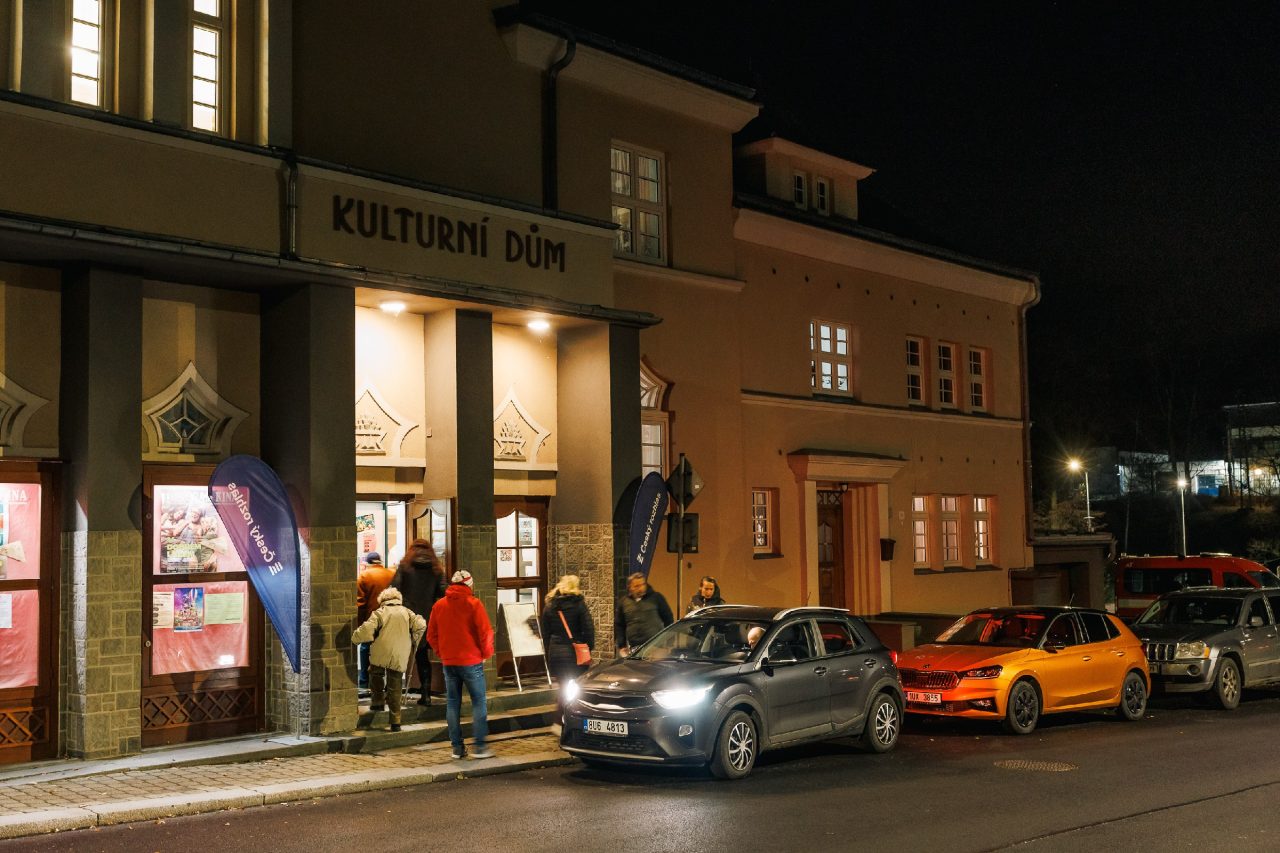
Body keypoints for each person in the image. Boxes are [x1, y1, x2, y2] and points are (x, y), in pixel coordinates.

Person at [427, 569, 495, 760]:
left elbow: (431, 635)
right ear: (469, 585)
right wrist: (486, 653)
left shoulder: (439, 605)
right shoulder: (474, 604)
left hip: (449, 662)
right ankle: (480, 747)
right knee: (478, 702)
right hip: (472, 661)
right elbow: (485, 633)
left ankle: (457, 748)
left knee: (452, 703)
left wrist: (442, 653)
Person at [351, 586, 426, 732]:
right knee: (395, 686)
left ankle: (377, 702)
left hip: (381, 650)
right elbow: (421, 624)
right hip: (399, 653)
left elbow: (367, 630)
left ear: (383, 600)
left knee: (375, 673)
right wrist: (415, 639)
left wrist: (355, 638)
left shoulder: (380, 612)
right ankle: (395, 721)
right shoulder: (407, 612)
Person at [392, 539, 447, 704]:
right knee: (422, 656)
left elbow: (394, 588)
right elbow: (443, 591)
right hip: (427, 618)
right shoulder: (436, 569)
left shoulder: (405, 567)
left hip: (406, 616)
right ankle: (426, 695)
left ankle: (393, 695)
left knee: (399, 655)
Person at [541, 574, 595, 686]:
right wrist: (588, 647)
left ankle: (563, 698)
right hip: (575, 652)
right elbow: (588, 629)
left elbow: (545, 633)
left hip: (556, 653)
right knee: (578, 685)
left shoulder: (549, 606)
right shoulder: (579, 605)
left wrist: (548, 651)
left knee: (562, 685)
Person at [355, 552, 395, 688]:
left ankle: (364, 681)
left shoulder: (364, 576)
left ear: (368, 563)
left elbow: (360, 603)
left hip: (371, 619)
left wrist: (359, 623)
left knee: (365, 648)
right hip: (390, 618)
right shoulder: (391, 574)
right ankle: (386, 683)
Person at [614, 572, 674, 657]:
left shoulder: (656, 598)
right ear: (630, 587)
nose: (641, 588)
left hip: (656, 647)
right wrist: (622, 645)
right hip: (634, 648)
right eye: (636, 586)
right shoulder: (624, 602)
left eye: (642, 584)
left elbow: (669, 620)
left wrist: (669, 644)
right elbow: (620, 625)